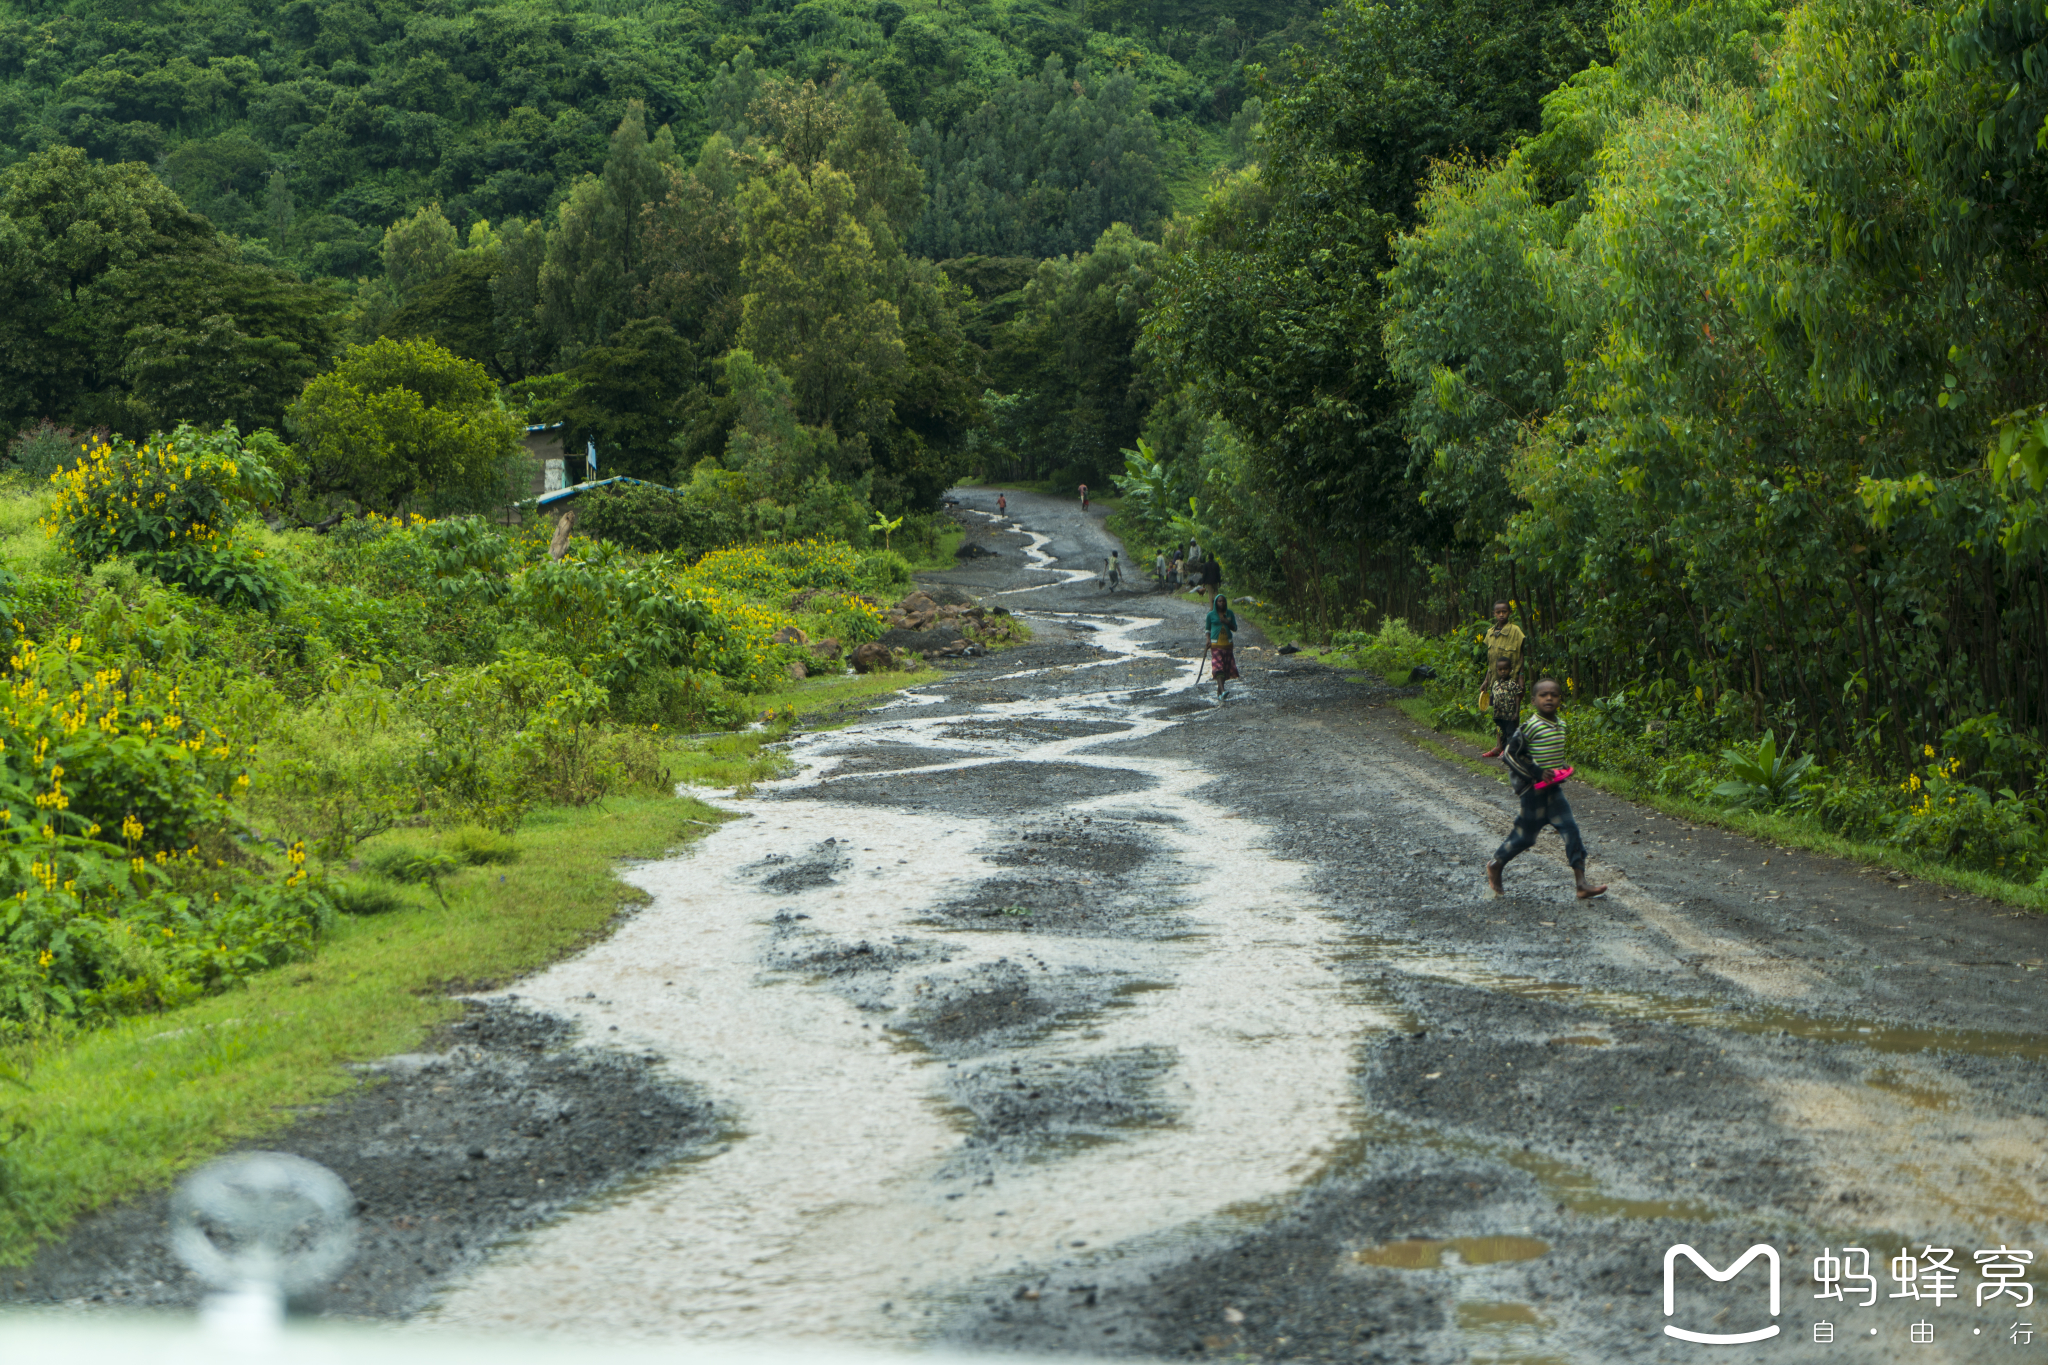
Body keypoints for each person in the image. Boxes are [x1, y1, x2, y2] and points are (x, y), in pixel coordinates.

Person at [1486, 678, 1606, 900]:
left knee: (1571, 831)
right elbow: (1509, 754)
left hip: (1553, 791)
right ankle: (1496, 864)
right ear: (1533, 701)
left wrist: (1562, 768)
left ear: (1560, 699)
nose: (1549, 698)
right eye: (1543, 695)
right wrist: (1536, 772)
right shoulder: (1530, 727)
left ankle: (1581, 884)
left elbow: (1548, 755)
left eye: (1554, 694)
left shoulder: (1560, 725)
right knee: (1525, 838)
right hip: (1533, 792)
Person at [1479, 601, 1525, 757]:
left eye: (1504, 612)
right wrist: (1486, 680)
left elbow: (1521, 656)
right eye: (1498, 612)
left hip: (1511, 684)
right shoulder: (1490, 633)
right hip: (1495, 684)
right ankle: (1499, 745)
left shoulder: (1515, 632)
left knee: (1511, 716)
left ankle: (1511, 749)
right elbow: (1491, 662)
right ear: (1494, 614)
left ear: (1509, 612)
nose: (1501, 615)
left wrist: (1521, 677)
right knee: (1498, 715)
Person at [1484, 655, 1523, 755]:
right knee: (1502, 733)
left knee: (1510, 733)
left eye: (1505, 669)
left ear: (1510, 669)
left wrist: (1516, 712)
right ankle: (1503, 750)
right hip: (1498, 715)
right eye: (1500, 669)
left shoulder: (1512, 683)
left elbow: (1517, 697)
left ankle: (1509, 752)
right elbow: (1492, 696)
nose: (1503, 671)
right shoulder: (1496, 683)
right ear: (1497, 670)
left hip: (1509, 715)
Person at [1206, 593, 1240, 698]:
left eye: (1223, 601)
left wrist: (1227, 622)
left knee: (1225, 668)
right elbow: (1207, 630)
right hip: (1215, 645)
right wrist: (1208, 640)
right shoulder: (1210, 615)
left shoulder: (1229, 613)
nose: (1222, 603)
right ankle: (1223, 690)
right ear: (1216, 603)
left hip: (1227, 644)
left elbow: (1234, 628)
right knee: (1218, 667)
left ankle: (1220, 691)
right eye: (1219, 601)